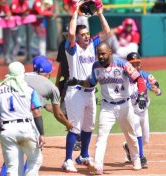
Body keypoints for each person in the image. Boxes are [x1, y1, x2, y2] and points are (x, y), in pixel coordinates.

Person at [67, 42, 147, 174]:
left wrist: (142, 94)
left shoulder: (122, 64)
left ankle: (136, 159)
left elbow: (139, 79)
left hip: (124, 105)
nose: (101, 56)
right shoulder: (96, 66)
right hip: (107, 107)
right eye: (98, 54)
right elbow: (91, 83)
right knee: (101, 137)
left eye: (103, 53)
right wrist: (78, 82)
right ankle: (98, 166)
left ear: (110, 52)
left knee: (130, 135)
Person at [61, 1, 111, 173]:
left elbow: (107, 32)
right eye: (83, 34)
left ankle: (83, 155)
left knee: (88, 127)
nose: (87, 36)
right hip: (75, 92)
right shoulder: (72, 48)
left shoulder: (92, 45)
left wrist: (100, 13)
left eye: (88, 34)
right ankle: (68, 160)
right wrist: (75, 11)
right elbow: (70, 34)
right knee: (74, 127)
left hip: (89, 92)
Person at [0, 61, 45, 176]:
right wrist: (42, 134)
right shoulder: (29, 89)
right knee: (35, 160)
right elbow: (36, 112)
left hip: (6, 130)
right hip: (25, 129)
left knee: (12, 168)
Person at [122, 52, 161, 169]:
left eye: (138, 64)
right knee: (137, 132)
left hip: (143, 111)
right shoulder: (123, 78)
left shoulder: (144, 76)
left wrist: (156, 90)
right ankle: (141, 157)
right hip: (131, 110)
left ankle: (129, 148)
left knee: (145, 139)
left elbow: (157, 88)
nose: (136, 67)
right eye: (133, 64)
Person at [55, 26, 81, 151]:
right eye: (65, 34)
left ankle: (77, 138)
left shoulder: (79, 46)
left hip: (78, 82)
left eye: (68, 34)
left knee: (70, 110)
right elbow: (60, 64)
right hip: (66, 81)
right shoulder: (62, 45)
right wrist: (57, 81)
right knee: (64, 110)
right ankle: (76, 135)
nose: (67, 36)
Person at [3, 0, 30, 65]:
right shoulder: (14, 2)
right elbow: (14, 12)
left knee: (18, 41)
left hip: (15, 25)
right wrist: (23, 13)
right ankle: (7, 57)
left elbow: (27, 11)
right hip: (7, 24)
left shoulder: (25, 2)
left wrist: (26, 13)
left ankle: (13, 56)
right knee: (7, 41)